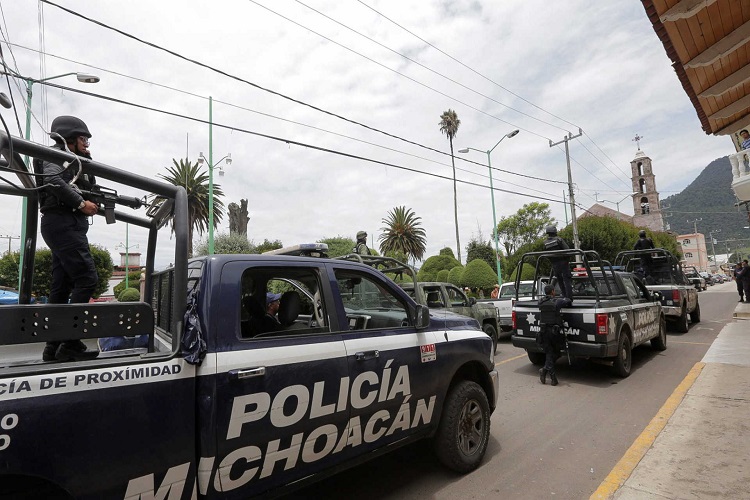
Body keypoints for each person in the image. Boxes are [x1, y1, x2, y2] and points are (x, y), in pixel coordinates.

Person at [39, 116, 100, 362]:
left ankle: (52, 347)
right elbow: (53, 180)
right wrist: (81, 203)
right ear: (69, 138)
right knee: (86, 278)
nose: (86, 143)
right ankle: (70, 342)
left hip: (62, 224)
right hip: (63, 223)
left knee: (62, 286)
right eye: (83, 138)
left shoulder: (73, 161)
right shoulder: (57, 155)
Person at [537, 284, 572, 386]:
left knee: (551, 353)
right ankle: (552, 378)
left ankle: (545, 371)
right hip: (553, 332)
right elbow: (568, 301)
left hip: (544, 331)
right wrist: (565, 296)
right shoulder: (557, 301)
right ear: (552, 291)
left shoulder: (541, 302)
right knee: (553, 353)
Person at [543, 225, 573, 301]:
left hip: (555, 264)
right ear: (555, 232)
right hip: (563, 262)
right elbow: (567, 250)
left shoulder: (545, 243)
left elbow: (546, 254)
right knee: (566, 280)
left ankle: (564, 295)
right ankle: (569, 298)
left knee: (560, 280)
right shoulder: (559, 240)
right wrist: (567, 259)